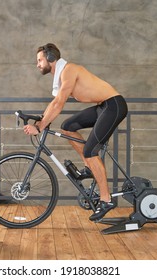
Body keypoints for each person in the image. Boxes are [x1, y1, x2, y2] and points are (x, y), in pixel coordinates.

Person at [23, 43, 128, 221]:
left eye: (40, 60)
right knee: (68, 126)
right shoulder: (62, 75)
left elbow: (59, 103)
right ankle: (88, 167)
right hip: (103, 107)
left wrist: (40, 127)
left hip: (113, 106)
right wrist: (41, 119)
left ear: (50, 58)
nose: (38, 64)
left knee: (90, 151)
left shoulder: (69, 70)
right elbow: (54, 102)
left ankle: (106, 199)